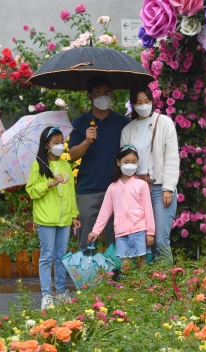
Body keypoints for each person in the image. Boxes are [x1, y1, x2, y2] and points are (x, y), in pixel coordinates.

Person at [68, 76, 130, 250]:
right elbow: (72, 154)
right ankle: (86, 276)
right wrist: (87, 141)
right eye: (98, 94)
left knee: (117, 240)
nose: (103, 97)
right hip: (89, 189)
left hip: (117, 188)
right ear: (90, 96)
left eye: (106, 93)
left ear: (111, 94)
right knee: (86, 240)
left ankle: (118, 276)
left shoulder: (123, 123)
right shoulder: (80, 122)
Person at [120, 84, 179, 263]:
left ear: (152, 101)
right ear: (133, 104)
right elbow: (123, 162)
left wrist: (168, 187)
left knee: (160, 239)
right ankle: (149, 285)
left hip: (160, 188)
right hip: (138, 190)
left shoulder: (165, 123)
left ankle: (168, 283)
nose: (143, 105)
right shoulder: (128, 130)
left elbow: (172, 157)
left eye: (147, 101)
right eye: (139, 102)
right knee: (142, 241)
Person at [26, 126, 80, 310]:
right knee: (47, 256)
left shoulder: (66, 165)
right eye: (56, 142)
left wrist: (73, 215)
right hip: (46, 219)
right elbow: (32, 191)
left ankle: (62, 292)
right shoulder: (38, 166)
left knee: (61, 256)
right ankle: (47, 294)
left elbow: (71, 192)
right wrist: (51, 183)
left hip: (64, 219)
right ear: (47, 145)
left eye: (62, 141)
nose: (60, 145)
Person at [87, 146, 155, 270]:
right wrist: (96, 230)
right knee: (125, 265)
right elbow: (104, 212)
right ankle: (128, 288)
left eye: (134, 162)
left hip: (139, 230)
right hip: (121, 233)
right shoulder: (112, 187)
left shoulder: (141, 185)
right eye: (126, 162)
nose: (130, 165)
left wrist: (150, 232)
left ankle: (142, 287)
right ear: (118, 162)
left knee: (142, 261)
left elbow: (148, 209)